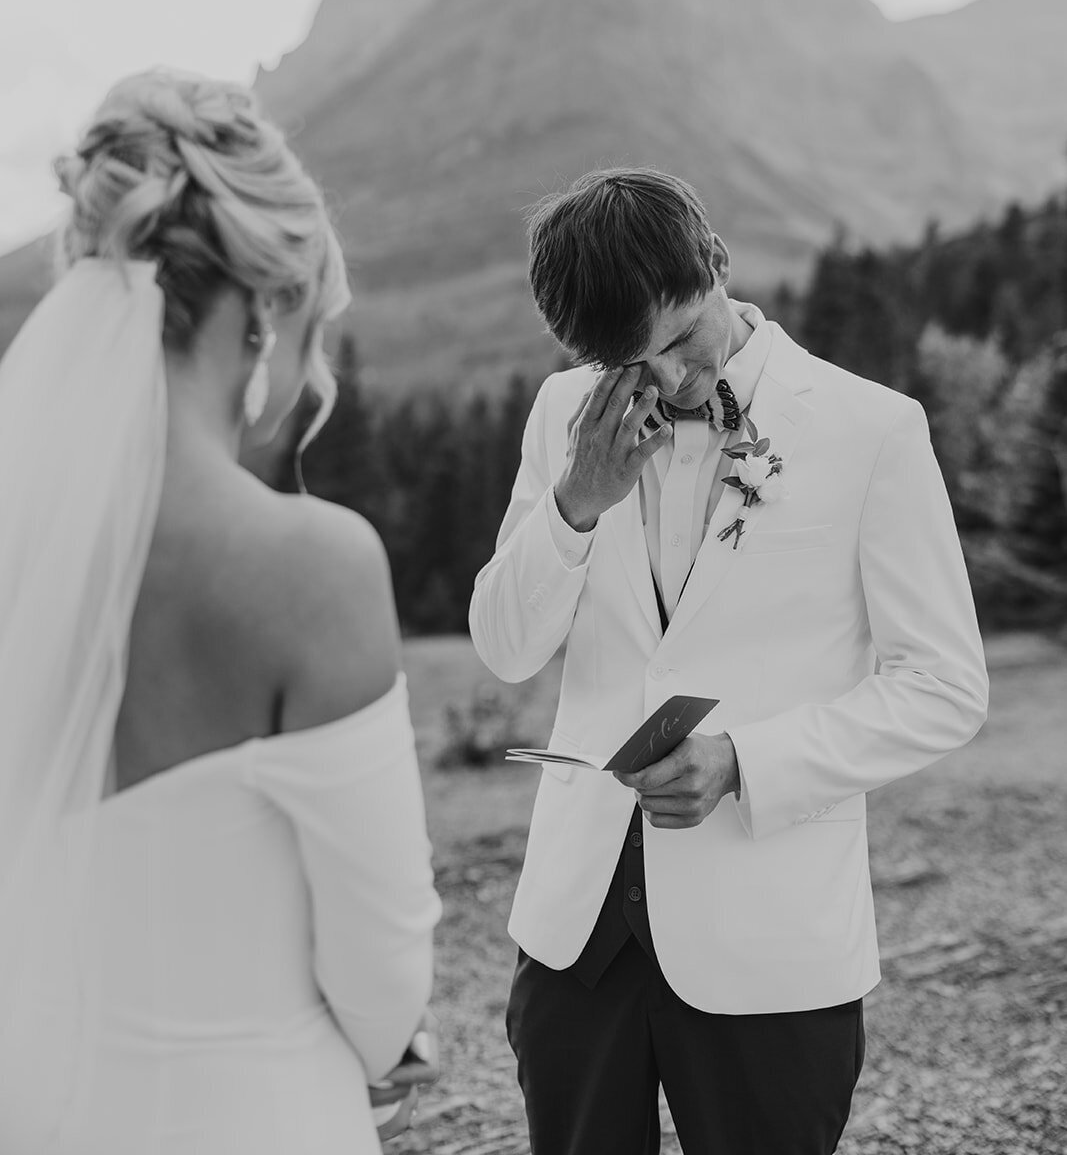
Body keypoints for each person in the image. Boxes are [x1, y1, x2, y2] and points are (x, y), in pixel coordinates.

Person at [470, 167, 989, 1155]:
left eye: (674, 342)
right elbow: (504, 644)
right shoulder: (559, 416)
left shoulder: (869, 429)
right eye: (629, 363)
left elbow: (943, 685)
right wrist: (574, 503)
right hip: (576, 939)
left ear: (714, 264)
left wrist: (745, 763)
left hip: (769, 943)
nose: (662, 381)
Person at [0, 68, 441, 1153]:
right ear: (264, 307)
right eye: (314, 325)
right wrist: (388, 1044)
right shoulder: (309, 564)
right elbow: (384, 980)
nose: (312, 368)